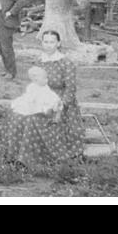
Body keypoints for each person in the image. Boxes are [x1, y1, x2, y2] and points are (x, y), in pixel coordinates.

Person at [0, 65, 80, 171]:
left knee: (31, 121)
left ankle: (27, 158)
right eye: (36, 78)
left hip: (45, 114)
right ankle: (13, 153)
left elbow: (53, 103)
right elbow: (27, 99)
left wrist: (52, 108)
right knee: (15, 117)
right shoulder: (32, 87)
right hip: (31, 109)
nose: (45, 80)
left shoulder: (47, 91)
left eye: (44, 78)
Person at [35, 29, 85, 161]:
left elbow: (70, 88)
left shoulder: (66, 63)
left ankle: (51, 155)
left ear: (58, 43)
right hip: (42, 97)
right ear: (42, 43)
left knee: (51, 118)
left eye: (52, 42)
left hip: (60, 101)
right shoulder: (39, 61)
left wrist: (61, 104)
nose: (48, 45)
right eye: (45, 42)